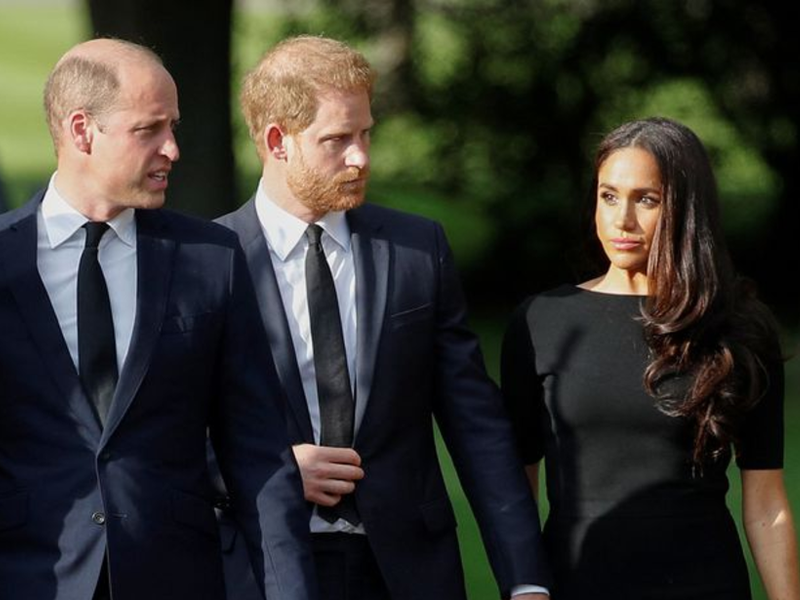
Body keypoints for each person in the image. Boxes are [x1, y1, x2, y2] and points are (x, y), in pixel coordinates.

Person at [0, 39, 316, 600]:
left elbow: (259, 454)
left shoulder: (211, 259)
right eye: (149, 129)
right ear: (82, 131)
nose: (172, 149)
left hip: (176, 579)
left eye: (173, 126)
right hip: (29, 579)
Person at [216, 35, 550, 600]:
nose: (361, 157)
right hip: (261, 567)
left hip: (407, 571)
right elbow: (167, 430)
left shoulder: (417, 249)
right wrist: (275, 469)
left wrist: (526, 580)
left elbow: (474, 422)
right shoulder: (207, 261)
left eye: (366, 133)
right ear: (277, 141)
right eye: (337, 139)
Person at [501, 117, 800, 599]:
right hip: (577, 583)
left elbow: (767, 503)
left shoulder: (739, 327)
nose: (621, 220)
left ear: (687, 209)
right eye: (609, 196)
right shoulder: (541, 321)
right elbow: (516, 485)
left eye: (647, 199)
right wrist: (524, 587)